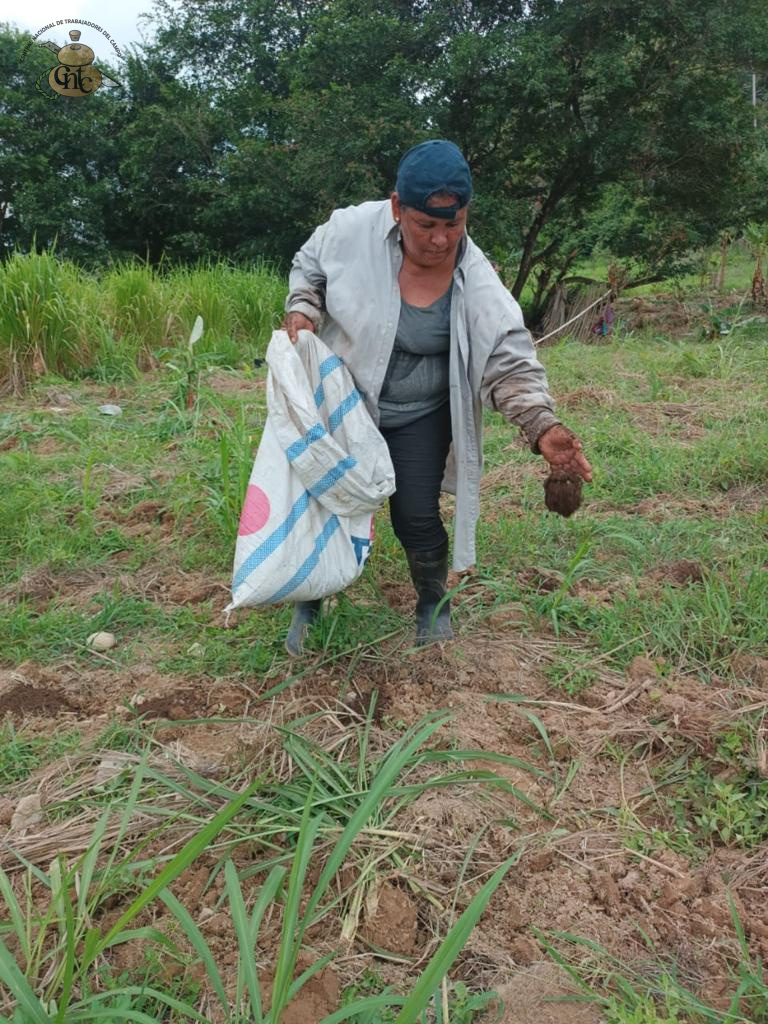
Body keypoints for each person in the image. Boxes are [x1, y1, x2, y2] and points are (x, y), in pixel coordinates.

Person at [281, 139, 592, 655]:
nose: (441, 239)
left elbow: (507, 357)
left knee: (416, 513)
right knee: (325, 504)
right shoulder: (350, 231)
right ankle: (310, 604)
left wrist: (544, 427)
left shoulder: (477, 280)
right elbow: (309, 266)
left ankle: (431, 602)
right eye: (426, 225)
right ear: (398, 207)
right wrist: (303, 308)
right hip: (346, 401)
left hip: (420, 413)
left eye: (455, 224)